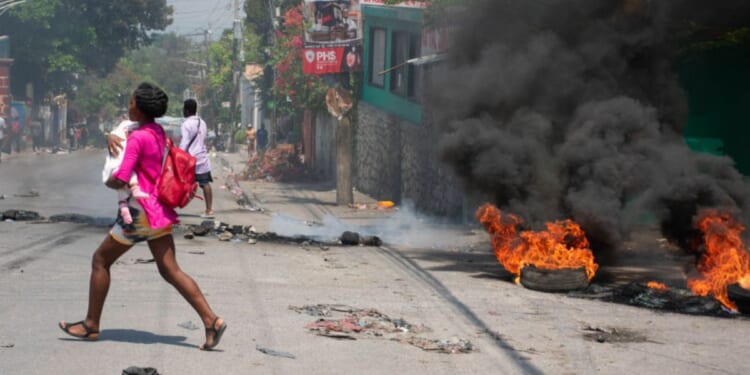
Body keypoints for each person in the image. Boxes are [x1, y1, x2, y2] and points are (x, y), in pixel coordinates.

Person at [59, 82, 226, 350]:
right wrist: (108, 138)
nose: (128, 106)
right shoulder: (157, 132)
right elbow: (122, 132)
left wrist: (109, 179)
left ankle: (91, 325)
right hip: (158, 211)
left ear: (140, 107)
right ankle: (211, 320)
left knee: (100, 260)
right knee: (170, 270)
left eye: (131, 102)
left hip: (139, 214)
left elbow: (122, 177)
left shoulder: (137, 138)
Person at [101, 120, 149, 225]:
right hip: (124, 169)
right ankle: (124, 211)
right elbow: (114, 135)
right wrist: (110, 136)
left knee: (123, 190)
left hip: (135, 173)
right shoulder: (126, 125)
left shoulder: (150, 130)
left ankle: (124, 210)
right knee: (126, 181)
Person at [180, 99, 214, 218]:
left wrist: (179, 155)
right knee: (205, 183)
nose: (183, 111)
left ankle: (171, 205)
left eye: (184, 109)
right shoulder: (202, 122)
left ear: (187, 110)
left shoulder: (186, 124)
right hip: (202, 157)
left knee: (177, 181)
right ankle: (209, 210)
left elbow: (184, 142)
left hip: (190, 159)